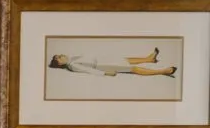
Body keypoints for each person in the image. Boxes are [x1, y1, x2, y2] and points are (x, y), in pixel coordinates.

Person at [48, 49, 176, 78]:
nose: (61, 55)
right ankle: (162, 71)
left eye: (59, 55)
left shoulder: (72, 58)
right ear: (59, 64)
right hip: (102, 66)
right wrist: (106, 73)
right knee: (132, 69)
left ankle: (148, 59)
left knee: (125, 60)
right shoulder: (72, 65)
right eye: (59, 57)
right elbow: (89, 70)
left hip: (102, 60)